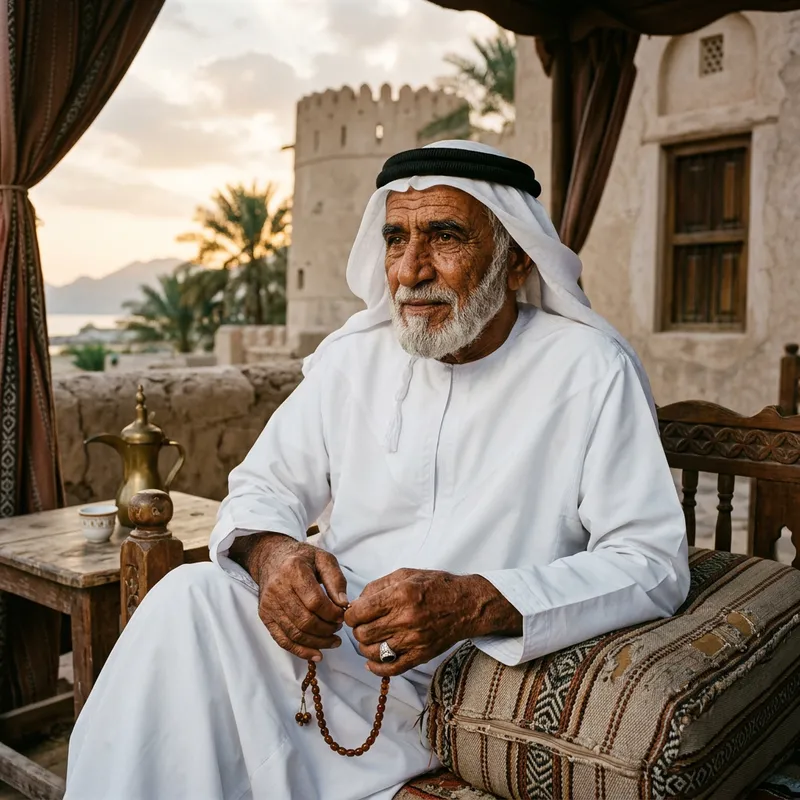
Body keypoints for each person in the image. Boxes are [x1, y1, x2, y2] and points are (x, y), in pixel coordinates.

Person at [64, 141, 689, 800]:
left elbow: (651, 561)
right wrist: (272, 554)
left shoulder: (589, 370)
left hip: (461, 673)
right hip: (326, 648)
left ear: (517, 262)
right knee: (187, 600)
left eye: (445, 237)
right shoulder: (353, 359)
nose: (411, 269)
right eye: (396, 240)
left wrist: (474, 602)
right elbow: (262, 485)